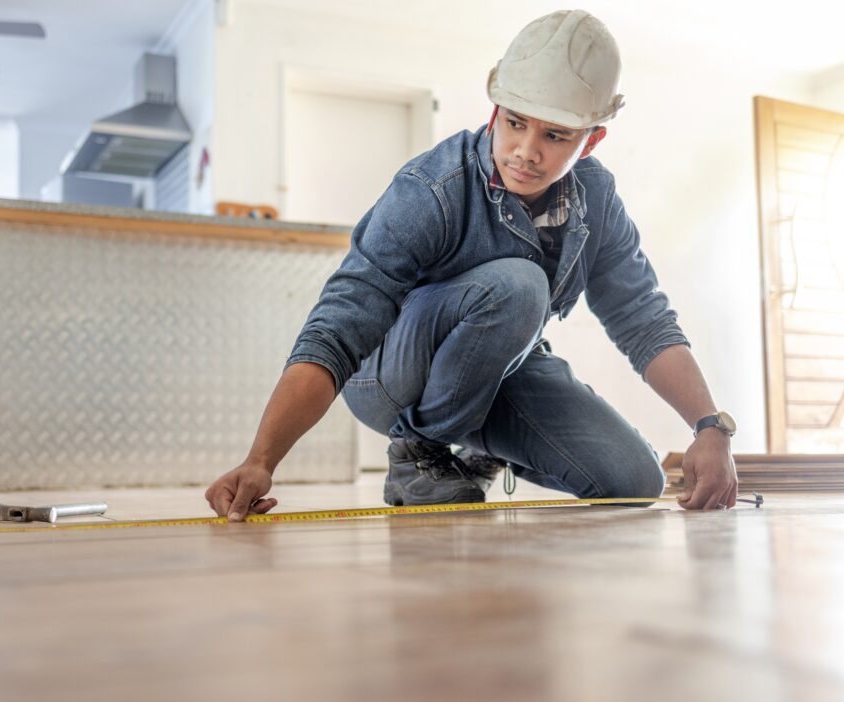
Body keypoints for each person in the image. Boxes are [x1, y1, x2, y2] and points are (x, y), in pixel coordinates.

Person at [204, 9, 738, 521]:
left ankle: (475, 448)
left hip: (497, 370)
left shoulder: (595, 200)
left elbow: (642, 318)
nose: (526, 151)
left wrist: (709, 427)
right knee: (520, 285)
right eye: (516, 123)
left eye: (555, 136)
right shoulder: (431, 189)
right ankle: (420, 451)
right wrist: (261, 461)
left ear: (591, 140)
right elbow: (338, 328)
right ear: (494, 111)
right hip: (387, 378)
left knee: (633, 480)